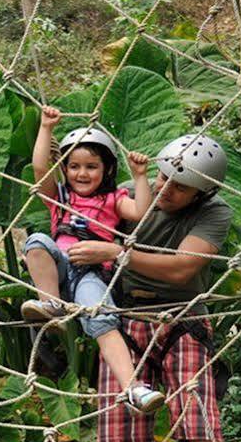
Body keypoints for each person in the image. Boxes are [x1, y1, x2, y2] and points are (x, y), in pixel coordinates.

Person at [60, 134, 241, 442]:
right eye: (164, 177)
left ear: (202, 191)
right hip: (123, 321)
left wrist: (118, 253)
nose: (166, 190)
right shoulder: (134, 197)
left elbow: (182, 267)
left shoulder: (214, 213)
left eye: (179, 186)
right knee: (117, 441)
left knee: (203, 430)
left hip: (182, 322)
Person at [19, 105, 162, 413]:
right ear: (66, 169)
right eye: (74, 167)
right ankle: (51, 304)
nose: (82, 173)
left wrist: (140, 176)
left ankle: (133, 388)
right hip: (58, 270)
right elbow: (40, 169)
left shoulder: (114, 200)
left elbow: (142, 213)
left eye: (91, 166)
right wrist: (46, 128)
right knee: (37, 241)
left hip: (90, 274)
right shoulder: (60, 199)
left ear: (107, 170)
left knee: (101, 318)